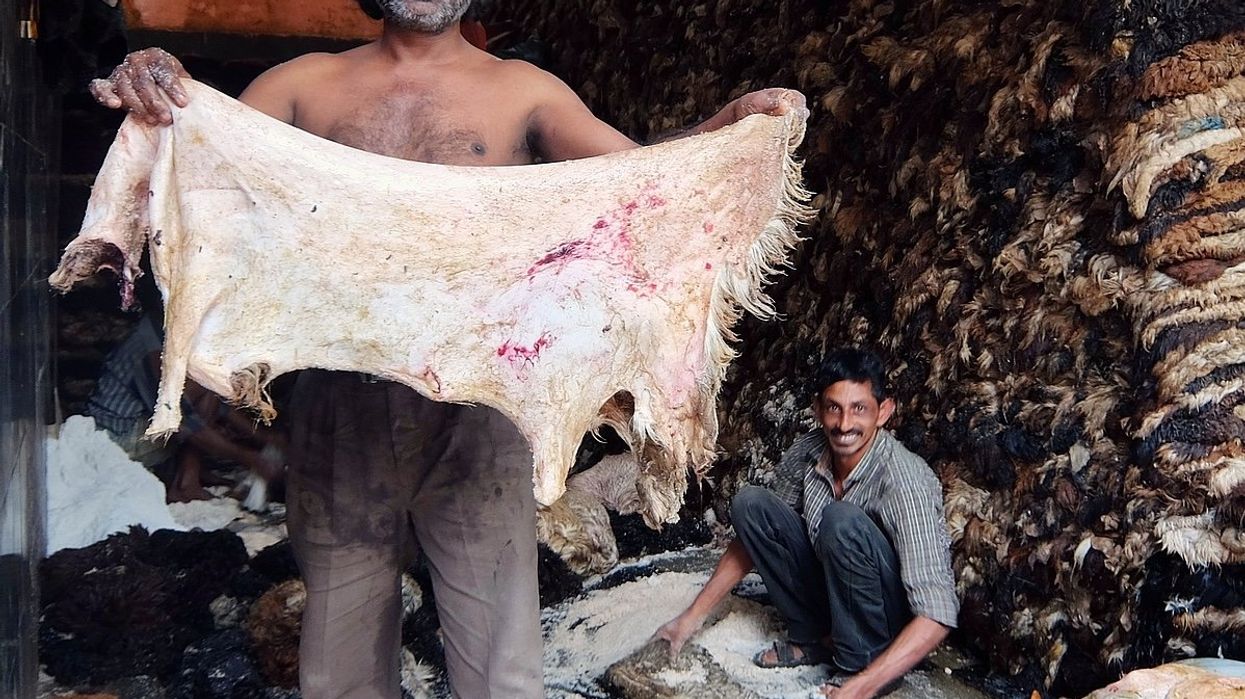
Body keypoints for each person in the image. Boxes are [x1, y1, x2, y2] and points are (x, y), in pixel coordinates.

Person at [89, 1, 806, 696]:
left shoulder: (523, 93)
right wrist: (158, 84)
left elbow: (639, 182)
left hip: (481, 413)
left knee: (498, 659)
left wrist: (724, 128)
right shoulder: (304, 86)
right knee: (338, 657)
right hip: (341, 405)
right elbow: (203, 162)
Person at [655, 348, 959, 699]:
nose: (844, 424)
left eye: (859, 408)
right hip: (834, 594)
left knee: (840, 520)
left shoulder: (905, 480)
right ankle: (816, 639)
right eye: (834, 408)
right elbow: (760, 536)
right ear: (818, 409)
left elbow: (937, 613)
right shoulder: (808, 451)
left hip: (888, 622)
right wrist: (690, 618)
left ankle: (862, 663)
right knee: (751, 504)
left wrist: (863, 687)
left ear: (884, 412)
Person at [87, 311, 285, 503]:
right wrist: (252, 460)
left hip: (140, 430)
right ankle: (185, 484)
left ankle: (188, 477)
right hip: (117, 442)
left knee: (210, 385)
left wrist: (265, 438)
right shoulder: (152, 349)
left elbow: (213, 406)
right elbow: (187, 424)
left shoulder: (167, 332)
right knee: (205, 391)